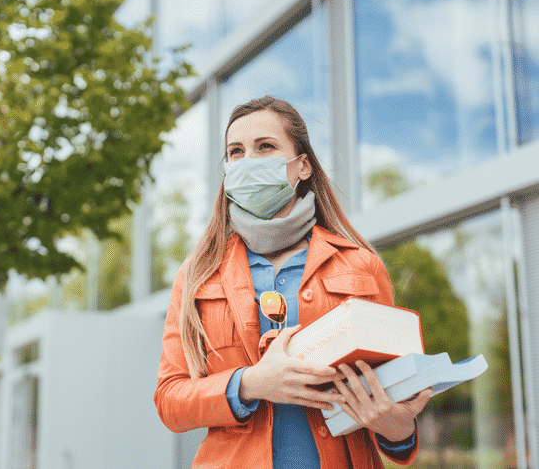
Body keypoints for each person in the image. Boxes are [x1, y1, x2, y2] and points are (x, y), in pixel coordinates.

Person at [154, 96, 432, 469]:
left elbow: (396, 399)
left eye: (265, 147)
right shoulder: (198, 274)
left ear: (302, 166)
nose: (248, 160)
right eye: (235, 152)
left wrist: (396, 427)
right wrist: (250, 383)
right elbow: (171, 401)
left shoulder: (360, 264)